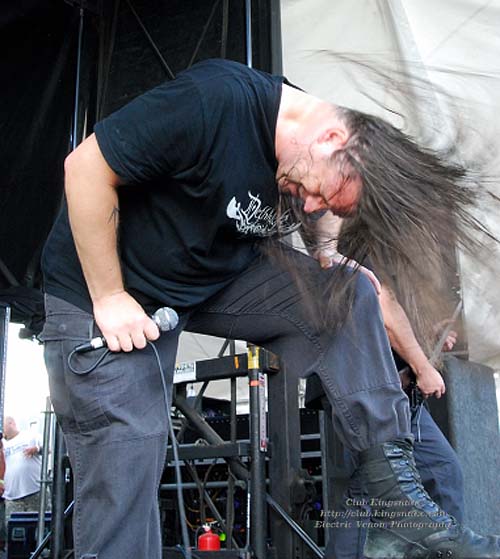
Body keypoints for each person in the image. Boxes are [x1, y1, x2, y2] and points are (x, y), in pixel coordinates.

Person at [39, 58, 500, 558]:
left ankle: (397, 505)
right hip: (106, 289)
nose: (308, 208)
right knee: (131, 451)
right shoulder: (213, 101)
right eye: (317, 193)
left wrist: (326, 252)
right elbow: (84, 169)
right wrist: (108, 297)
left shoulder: (306, 147)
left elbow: (321, 213)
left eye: (324, 206)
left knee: (348, 291)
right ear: (330, 140)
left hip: (207, 277)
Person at [2, 417, 42, 521]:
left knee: (38, 525)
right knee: (14, 529)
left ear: (11, 423)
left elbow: (48, 449)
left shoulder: (30, 435)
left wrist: (36, 449)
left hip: (35, 491)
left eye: (3, 426)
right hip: (12, 497)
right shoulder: (2, 444)